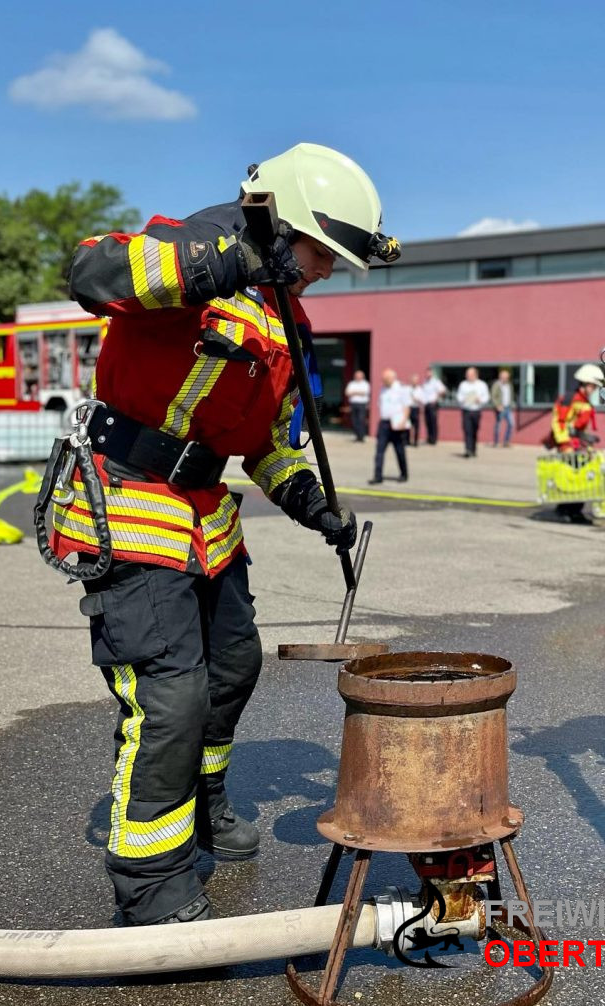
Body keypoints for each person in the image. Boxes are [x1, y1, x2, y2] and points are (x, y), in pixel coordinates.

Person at [49, 142, 399, 926]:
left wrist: (311, 503)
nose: (329, 271)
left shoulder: (286, 319)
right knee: (169, 698)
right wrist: (228, 261)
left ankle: (202, 801)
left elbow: (268, 444)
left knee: (233, 666)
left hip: (205, 517)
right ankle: (152, 884)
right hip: (130, 503)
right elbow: (91, 272)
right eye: (323, 253)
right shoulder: (192, 251)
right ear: (282, 226)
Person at [549, 363, 604, 524]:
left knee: (581, 479)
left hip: (579, 445)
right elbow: (559, 422)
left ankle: (574, 510)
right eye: (593, 386)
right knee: (570, 479)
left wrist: (588, 442)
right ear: (585, 383)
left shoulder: (585, 401)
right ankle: (565, 510)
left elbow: (580, 426)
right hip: (568, 446)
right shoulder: (569, 399)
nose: (594, 389)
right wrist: (564, 444)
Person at [369, 368, 410, 483]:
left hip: (397, 425)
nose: (383, 381)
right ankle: (378, 476)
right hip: (384, 424)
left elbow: (406, 407)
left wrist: (403, 421)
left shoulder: (401, 388)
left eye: (385, 379)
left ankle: (404, 474)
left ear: (392, 378)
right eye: (383, 379)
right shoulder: (383, 389)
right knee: (379, 451)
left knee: (399, 451)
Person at [456, 366, 490, 457]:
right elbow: (459, 396)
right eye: (467, 374)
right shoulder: (463, 384)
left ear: (475, 375)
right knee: (467, 430)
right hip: (466, 410)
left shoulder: (482, 385)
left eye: (470, 374)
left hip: (476, 410)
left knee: (474, 430)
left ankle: (473, 449)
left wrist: (480, 400)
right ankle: (468, 450)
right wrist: (463, 399)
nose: (468, 376)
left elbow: (486, 397)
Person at [418, 367, 447, 444]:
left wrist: (436, 398)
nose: (428, 374)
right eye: (427, 373)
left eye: (429, 372)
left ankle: (434, 439)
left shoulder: (436, 382)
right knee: (427, 422)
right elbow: (423, 393)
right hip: (426, 404)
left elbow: (443, 390)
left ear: (432, 373)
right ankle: (429, 438)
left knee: (433, 422)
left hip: (433, 404)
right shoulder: (425, 382)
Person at [490, 368, 515, 447]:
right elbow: (493, 396)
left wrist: (511, 404)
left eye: (507, 377)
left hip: (508, 407)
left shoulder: (509, 385)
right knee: (498, 425)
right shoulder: (496, 385)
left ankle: (506, 442)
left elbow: (511, 395)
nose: (505, 379)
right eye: (504, 377)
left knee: (511, 424)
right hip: (500, 407)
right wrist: (497, 405)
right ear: (500, 377)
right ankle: (496, 442)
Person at [345, 369, 371, 442]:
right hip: (353, 404)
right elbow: (347, 393)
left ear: (362, 376)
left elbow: (364, 393)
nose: (358, 377)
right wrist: (358, 392)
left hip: (362, 404)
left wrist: (353, 392)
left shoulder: (365, 384)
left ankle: (361, 437)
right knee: (354, 420)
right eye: (356, 376)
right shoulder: (351, 383)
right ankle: (357, 436)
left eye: (359, 376)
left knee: (361, 420)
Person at [408, 373, 423, 446]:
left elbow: (420, 400)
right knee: (408, 426)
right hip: (409, 408)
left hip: (416, 408)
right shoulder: (408, 389)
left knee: (416, 426)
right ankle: (407, 441)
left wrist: (414, 398)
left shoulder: (419, 389)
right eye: (413, 380)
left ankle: (415, 441)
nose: (414, 382)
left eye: (415, 380)